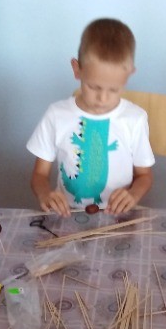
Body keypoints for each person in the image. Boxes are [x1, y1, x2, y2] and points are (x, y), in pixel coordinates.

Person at [27, 18, 155, 216]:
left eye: (114, 90)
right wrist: (45, 194)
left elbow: (144, 176)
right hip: (68, 215)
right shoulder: (56, 115)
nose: (102, 99)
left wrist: (133, 195)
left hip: (117, 217)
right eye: (93, 87)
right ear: (77, 69)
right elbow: (39, 174)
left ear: (129, 75)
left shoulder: (135, 119)